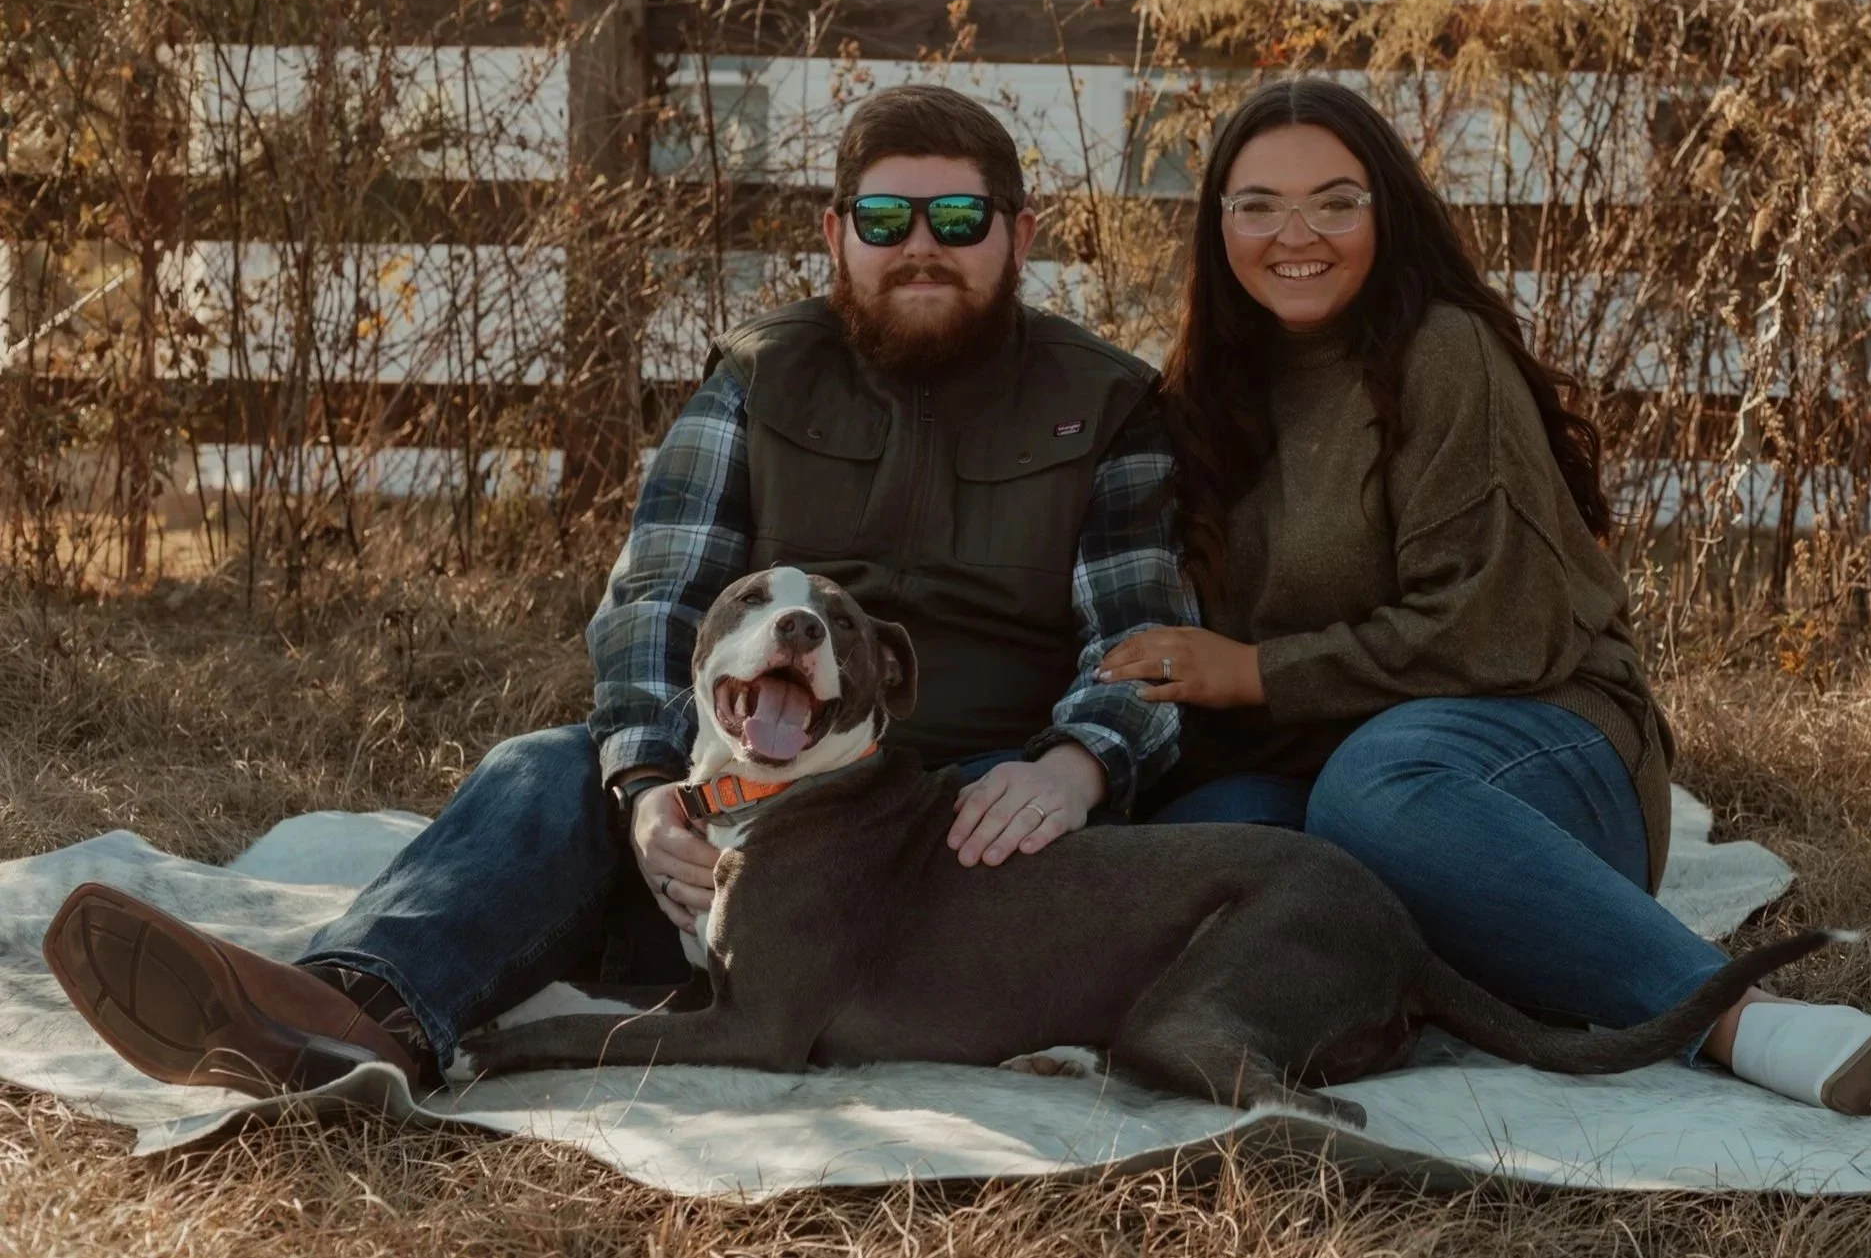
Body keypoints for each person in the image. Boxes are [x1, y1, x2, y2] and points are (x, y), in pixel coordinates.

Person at [44, 83, 1192, 1099]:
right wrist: (649, 785)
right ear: (835, 234)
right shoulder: (758, 375)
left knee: (1060, 848)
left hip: (958, 809)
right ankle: (346, 1014)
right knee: (544, 769)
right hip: (742, 782)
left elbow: (1143, 639)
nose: (921, 247)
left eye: (960, 218)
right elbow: (656, 600)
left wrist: (1078, 760)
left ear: (1019, 234)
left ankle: (790, 993)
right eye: (886, 219)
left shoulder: (1099, 401)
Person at [1097, 77, 1871, 1116]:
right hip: (1327, 768)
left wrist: (1258, 672)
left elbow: (1495, 624)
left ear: (1385, 211)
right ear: (1216, 221)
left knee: (1376, 789)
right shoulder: (1206, 391)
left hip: (1536, 752)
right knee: (1181, 844)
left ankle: (1733, 1020)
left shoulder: (1440, 352)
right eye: (1257, 203)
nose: (1294, 233)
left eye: (1334, 200)